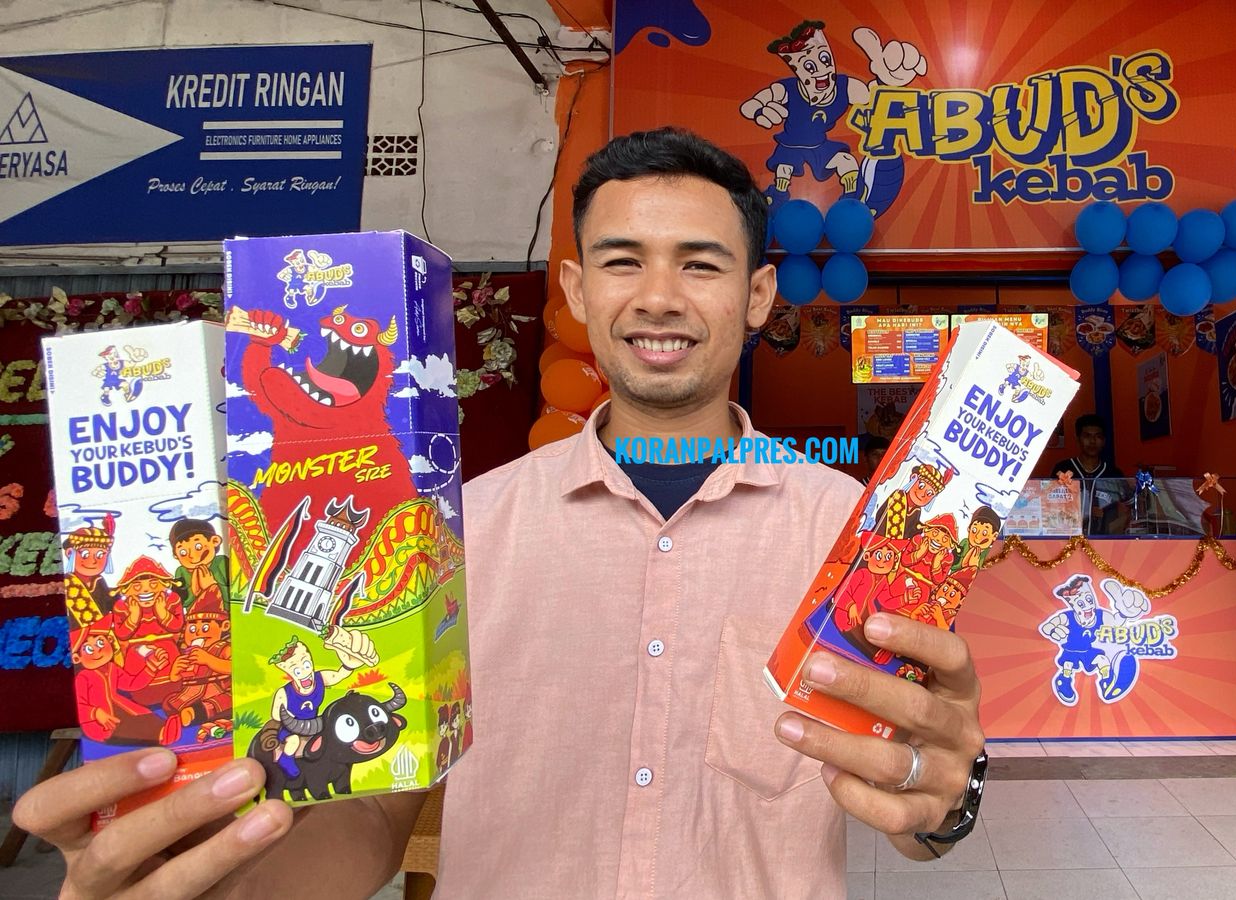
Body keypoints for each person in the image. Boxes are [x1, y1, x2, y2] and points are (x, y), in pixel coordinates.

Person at [15, 127, 984, 899]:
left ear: (758, 294)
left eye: (700, 265)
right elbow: (374, 815)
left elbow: (912, 790)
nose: (658, 298)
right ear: (576, 290)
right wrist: (223, 877)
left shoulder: (851, 534)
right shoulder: (449, 536)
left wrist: (947, 800)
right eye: (621, 262)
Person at [1050, 414, 1129, 535]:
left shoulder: (1113, 474)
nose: (1092, 441)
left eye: (1098, 436)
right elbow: (1051, 507)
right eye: (1087, 436)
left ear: (1104, 441)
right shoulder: (1063, 469)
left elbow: (1126, 511)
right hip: (1068, 538)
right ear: (1078, 439)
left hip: (1105, 540)